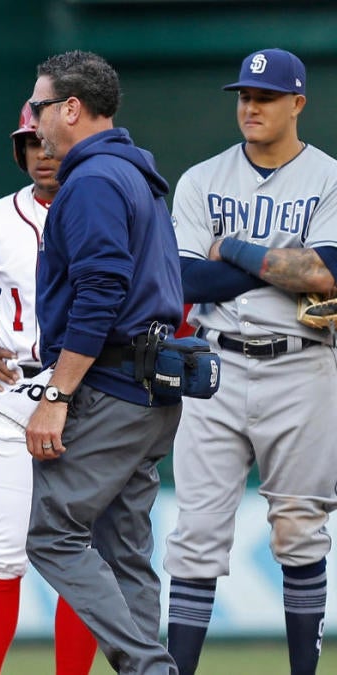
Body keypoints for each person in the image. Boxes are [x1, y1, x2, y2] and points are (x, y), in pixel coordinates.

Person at [163, 48, 337, 675]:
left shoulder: (328, 177)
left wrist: (229, 248)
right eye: (243, 95)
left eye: (265, 97)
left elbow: (324, 272)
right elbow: (186, 280)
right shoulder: (200, 179)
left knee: (299, 530)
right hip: (218, 368)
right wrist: (274, 269)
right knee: (196, 538)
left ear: (298, 103)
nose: (251, 107)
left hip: (303, 366)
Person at [23, 50, 184, 674]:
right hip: (149, 385)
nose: (34, 121)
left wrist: (56, 397)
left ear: (71, 108)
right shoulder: (135, 173)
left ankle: (150, 666)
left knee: (53, 534)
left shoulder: (91, 179)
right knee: (125, 550)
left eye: (40, 106)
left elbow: (100, 291)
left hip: (113, 383)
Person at [0, 101, 96, 675]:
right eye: (30, 142)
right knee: (1, 557)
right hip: (17, 388)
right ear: (20, 150)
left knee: (82, 558)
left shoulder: (105, 206)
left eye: (49, 140)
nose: (43, 152)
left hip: (89, 393)